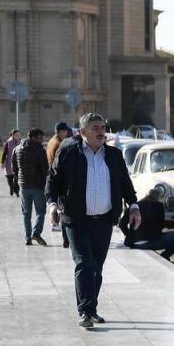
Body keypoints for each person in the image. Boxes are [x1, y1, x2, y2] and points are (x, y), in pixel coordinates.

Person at [45, 112, 141, 329]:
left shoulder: (114, 155)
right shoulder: (70, 152)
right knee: (84, 263)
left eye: (102, 127)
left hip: (104, 221)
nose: (101, 132)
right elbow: (53, 179)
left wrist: (134, 206)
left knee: (96, 267)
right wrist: (52, 204)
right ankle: (85, 311)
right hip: (76, 220)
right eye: (95, 128)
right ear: (83, 132)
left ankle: (92, 308)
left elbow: (125, 184)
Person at [121, 187, 174, 259]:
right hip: (150, 243)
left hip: (133, 243)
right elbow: (160, 224)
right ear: (158, 198)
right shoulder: (159, 206)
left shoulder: (135, 207)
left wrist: (130, 236)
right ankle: (165, 256)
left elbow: (122, 224)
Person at [13, 128, 49, 246]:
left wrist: (19, 180)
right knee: (41, 211)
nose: (41, 141)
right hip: (38, 186)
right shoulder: (39, 150)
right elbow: (45, 170)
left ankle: (27, 237)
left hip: (23, 186)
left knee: (26, 213)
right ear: (33, 137)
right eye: (40, 138)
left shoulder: (17, 149)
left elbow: (15, 168)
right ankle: (36, 232)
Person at [0, 130, 21, 196]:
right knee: (9, 177)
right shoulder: (8, 142)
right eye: (16, 135)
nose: (18, 136)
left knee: (17, 177)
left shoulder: (20, 142)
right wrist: (2, 162)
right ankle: (11, 188)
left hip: (18, 162)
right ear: (13, 135)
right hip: (9, 162)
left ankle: (17, 191)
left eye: (18, 134)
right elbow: (4, 153)